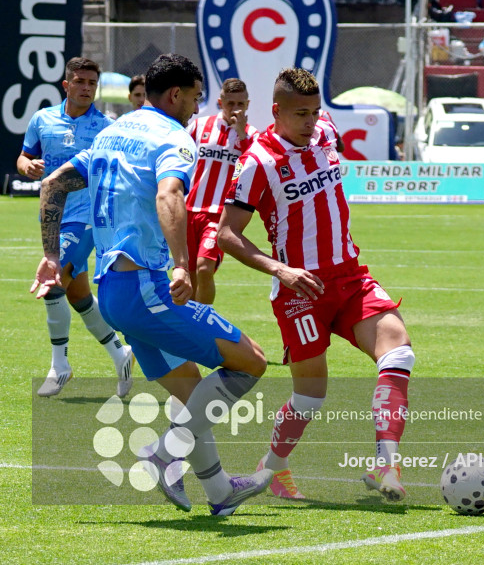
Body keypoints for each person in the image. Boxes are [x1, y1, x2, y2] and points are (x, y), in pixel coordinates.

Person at [31, 53, 274, 516]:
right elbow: (169, 193)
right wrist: (182, 265)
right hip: (144, 288)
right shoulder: (173, 136)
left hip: (111, 293)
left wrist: (51, 255)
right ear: (177, 94)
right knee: (251, 362)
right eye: (196, 97)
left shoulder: (111, 132)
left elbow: (52, 185)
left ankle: (220, 491)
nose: (196, 108)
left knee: (193, 394)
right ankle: (163, 455)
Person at [217, 68, 415, 502]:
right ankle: (273, 466)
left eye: (315, 111)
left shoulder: (325, 133)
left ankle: (387, 461)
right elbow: (226, 234)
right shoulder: (258, 162)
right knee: (310, 397)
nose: (310, 121)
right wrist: (279, 270)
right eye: (300, 113)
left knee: (398, 350)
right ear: (277, 111)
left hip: (349, 275)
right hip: (300, 291)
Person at [18, 57, 135, 398]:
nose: (86, 88)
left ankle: (60, 365)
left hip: (86, 218)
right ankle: (119, 352)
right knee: (77, 294)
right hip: (52, 218)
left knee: (53, 283)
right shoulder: (42, 120)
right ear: (66, 84)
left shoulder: (106, 127)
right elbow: (24, 155)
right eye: (80, 81)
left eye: (91, 83)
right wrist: (27, 165)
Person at [185, 78, 257, 304]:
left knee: (204, 268)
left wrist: (242, 134)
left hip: (220, 214)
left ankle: (204, 322)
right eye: (230, 103)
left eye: (241, 104)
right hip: (188, 210)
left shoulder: (252, 136)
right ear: (220, 102)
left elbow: (254, 167)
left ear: (248, 104)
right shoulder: (199, 126)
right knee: (190, 276)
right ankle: (194, 330)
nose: (235, 109)